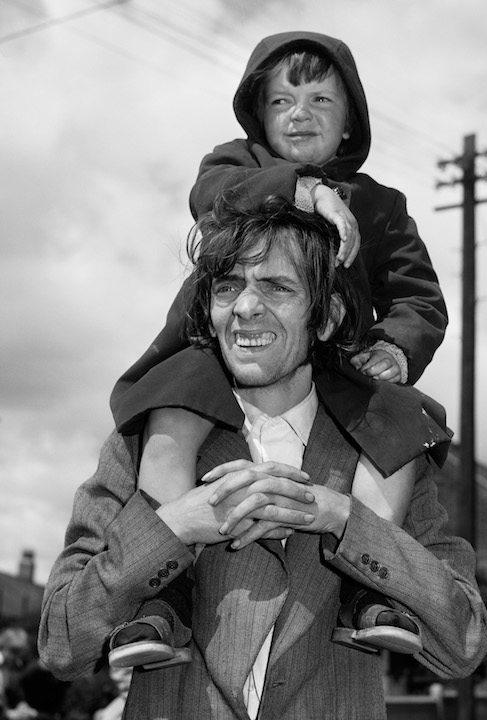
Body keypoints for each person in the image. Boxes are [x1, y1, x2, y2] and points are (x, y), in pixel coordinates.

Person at [39, 195, 487, 720]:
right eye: (227, 287)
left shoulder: (385, 456)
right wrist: (171, 528)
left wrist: (346, 520)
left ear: (327, 317)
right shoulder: (142, 442)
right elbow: (62, 643)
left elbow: (463, 641)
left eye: (276, 287)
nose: (245, 307)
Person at [106, 31, 449, 668]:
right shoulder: (230, 166)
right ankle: (164, 598)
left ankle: (371, 592)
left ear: (351, 123)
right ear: (257, 114)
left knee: (403, 420)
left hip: (337, 360)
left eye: (321, 99)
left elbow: (419, 297)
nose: (300, 113)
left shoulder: (380, 206)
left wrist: (396, 351)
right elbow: (213, 195)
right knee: (171, 414)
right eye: (282, 100)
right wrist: (305, 190)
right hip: (209, 352)